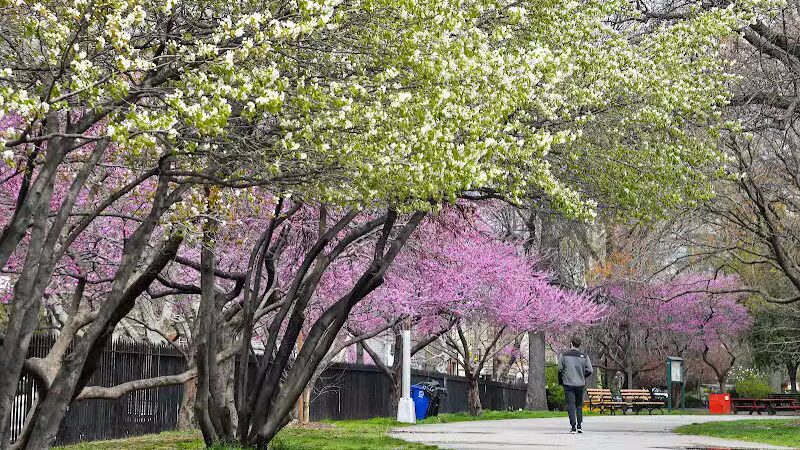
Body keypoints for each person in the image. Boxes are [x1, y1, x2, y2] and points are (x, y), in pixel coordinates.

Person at [558, 336, 593, 434]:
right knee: (578, 405)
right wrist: (583, 375)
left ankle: (573, 427)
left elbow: (560, 369)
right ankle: (579, 426)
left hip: (568, 383)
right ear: (579, 344)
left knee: (570, 405)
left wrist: (562, 380)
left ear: (571, 343)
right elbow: (590, 370)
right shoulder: (585, 356)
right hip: (580, 383)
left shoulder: (564, 355)